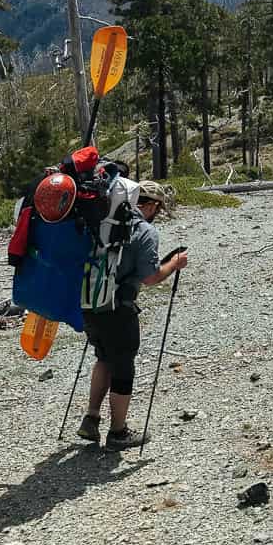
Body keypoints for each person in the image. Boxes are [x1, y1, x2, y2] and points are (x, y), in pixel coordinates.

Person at [76, 181, 188, 450]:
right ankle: (118, 432)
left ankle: (91, 418)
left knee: (103, 356)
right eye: (157, 208)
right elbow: (150, 277)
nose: (156, 213)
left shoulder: (102, 221)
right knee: (123, 365)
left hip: (90, 302)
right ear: (150, 205)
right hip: (119, 308)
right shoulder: (144, 231)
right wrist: (174, 263)